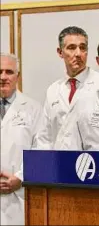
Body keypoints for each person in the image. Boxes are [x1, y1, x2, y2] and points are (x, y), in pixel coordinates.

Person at [34, 26, 99, 150]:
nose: (78, 54)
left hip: (93, 163)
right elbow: (45, 138)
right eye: (71, 48)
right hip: (60, 164)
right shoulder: (53, 90)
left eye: (82, 48)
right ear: (60, 52)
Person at [0, 53, 43, 225]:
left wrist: (21, 177)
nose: (3, 77)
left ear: (17, 76)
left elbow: (40, 149)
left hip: (19, 196)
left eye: (9, 72)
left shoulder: (34, 109)